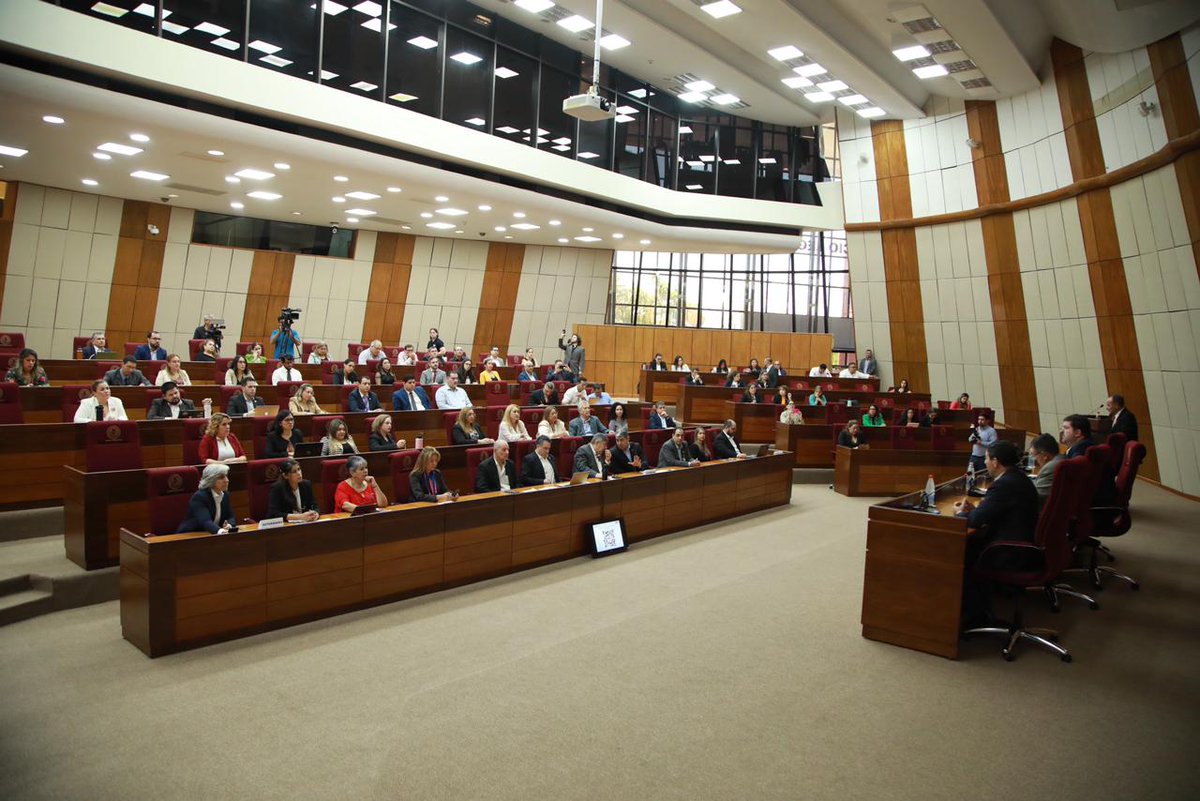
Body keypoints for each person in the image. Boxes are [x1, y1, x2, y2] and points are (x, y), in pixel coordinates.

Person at [175, 463, 236, 534]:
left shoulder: (225, 495)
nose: (227, 480)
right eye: (221, 477)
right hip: (190, 536)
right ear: (211, 480)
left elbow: (231, 516)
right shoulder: (199, 497)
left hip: (210, 535)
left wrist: (229, 525)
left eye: (226, 476)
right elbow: (205, 521)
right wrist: (221, 531)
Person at [1029, 433, 1062, 508]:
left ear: (1044, 455)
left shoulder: (1050, 468)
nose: (1033, 459)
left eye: (1034, 455)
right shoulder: (1062, 460)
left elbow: (1036, 497)